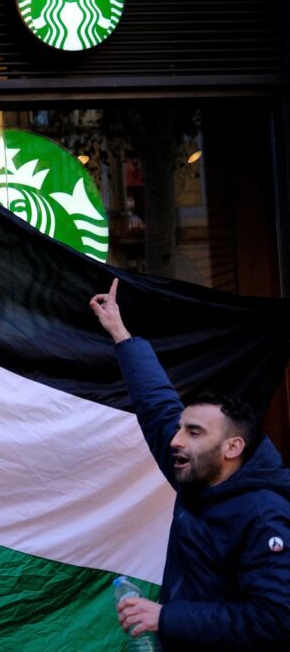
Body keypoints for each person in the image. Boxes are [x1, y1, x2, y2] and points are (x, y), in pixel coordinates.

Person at [90, 278, 290, 651]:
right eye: (181, 429)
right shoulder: (197, 474)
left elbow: (275, 619)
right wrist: (120, 332)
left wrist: (165, 618)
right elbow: (157, 404)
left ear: (232, 447)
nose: (176, 440)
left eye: (193, 432)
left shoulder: (265, 515)